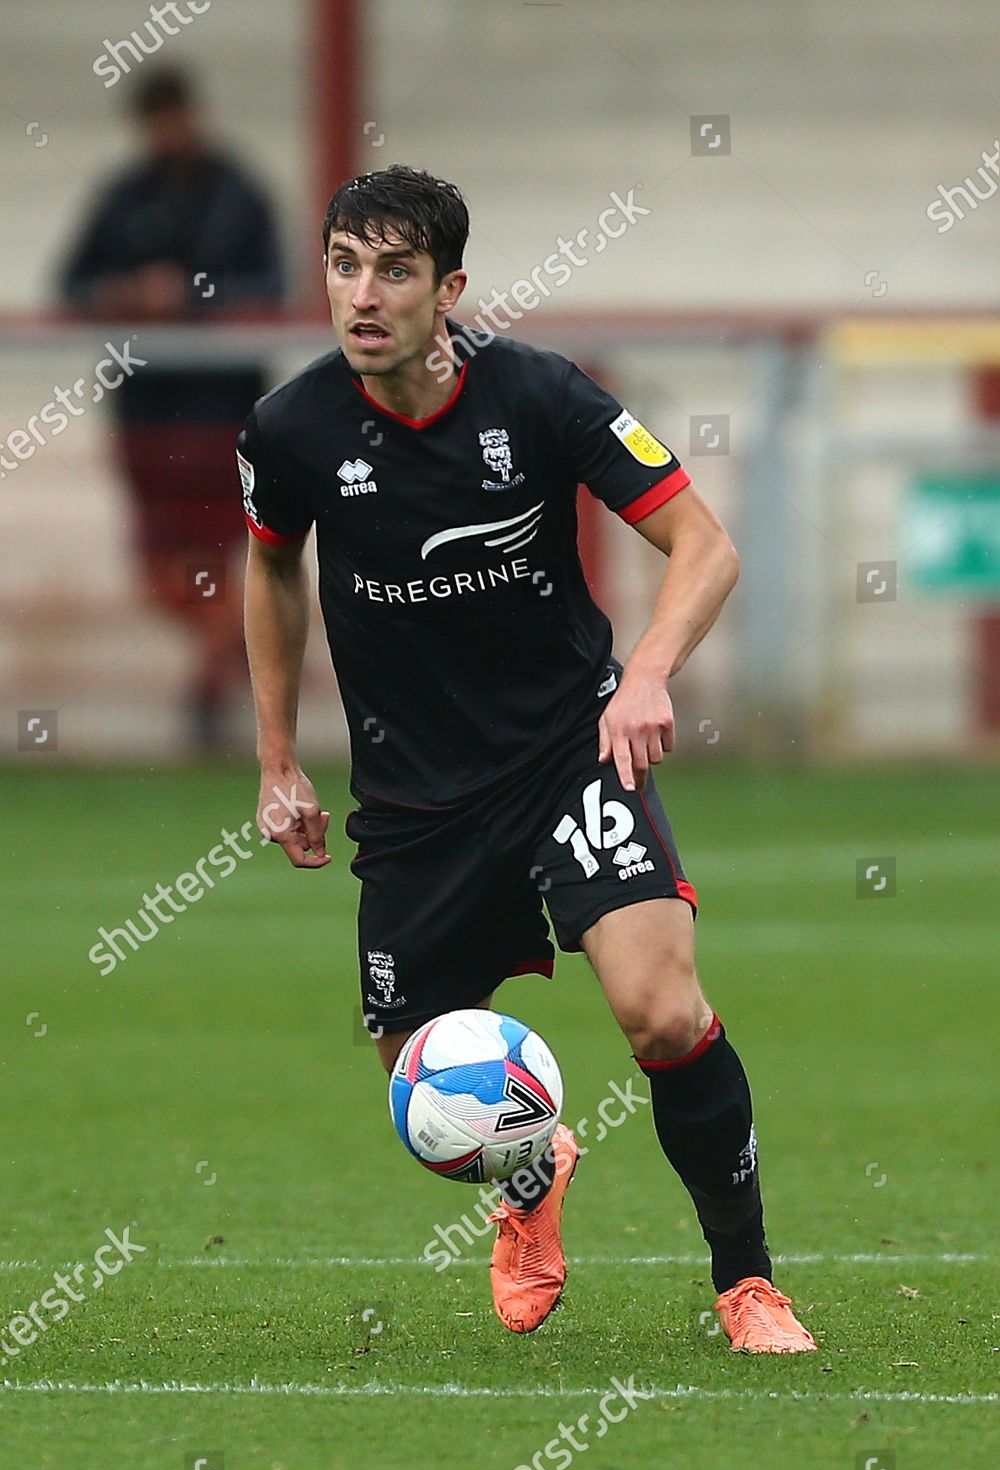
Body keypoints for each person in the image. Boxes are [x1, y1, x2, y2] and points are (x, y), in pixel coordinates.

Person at [240, 165, 816, 1354]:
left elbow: (701, 546)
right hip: (412, 799)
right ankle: (528, 1173)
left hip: (570, 756)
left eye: (394, 270)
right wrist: (274, 758)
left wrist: (648, 670)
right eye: (345, 264)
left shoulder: (540, 398)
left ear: (449, 288)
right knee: (423, 1073)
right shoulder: (290, 430)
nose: (363, 294)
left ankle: (747, 1283)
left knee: (660, 1013)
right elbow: (267, 568)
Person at [59, 65, 285, 748]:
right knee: (161, 573)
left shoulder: (238, 193)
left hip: (221, 411)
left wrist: (192, 295)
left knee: (220, 555)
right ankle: (241, 653)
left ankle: (212, 687)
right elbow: (73, 283)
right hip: (148, 412)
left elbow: (272, 286)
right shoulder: (124, 195)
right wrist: (124, 294)